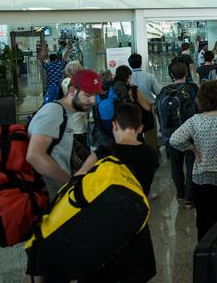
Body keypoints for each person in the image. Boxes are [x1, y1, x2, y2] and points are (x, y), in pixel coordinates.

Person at [55, 102, 158, 283]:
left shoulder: (104, 152)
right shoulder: (150, 154)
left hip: (102, 231)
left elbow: (78, 179)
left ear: (114, 125)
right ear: (140, 127)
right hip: (137, 228)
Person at [169, 80, 217, 240]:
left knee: (204, 222)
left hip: (202, 178)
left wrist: (192, 148)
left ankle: (205, 256)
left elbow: (174, 139)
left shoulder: (195, 121)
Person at [26, 69, 101, 197]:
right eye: (88, 95)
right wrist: (70, 183)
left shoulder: (68, 114)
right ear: (72, 91)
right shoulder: (53, 111)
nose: (93, 101)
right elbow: (34, 156)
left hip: (59, 196)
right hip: (48, 199)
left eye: (95, 95)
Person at [156, 61, 199, 205]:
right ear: (186, 73)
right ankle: (190, 197)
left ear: (171, 75)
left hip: (170, 136)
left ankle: (180, 194)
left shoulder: (163, 91)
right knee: (190, 165)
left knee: (176, 166)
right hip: (188, 135)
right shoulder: (191, 88)